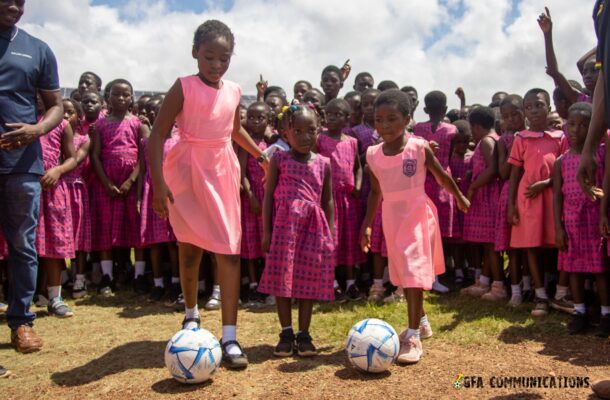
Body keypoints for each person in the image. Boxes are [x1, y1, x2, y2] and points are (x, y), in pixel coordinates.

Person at [149, 20, 268, 369]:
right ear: (195, 54)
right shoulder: (183, 87)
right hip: (186, 172)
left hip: (221, 171)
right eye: (209, 57)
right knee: (189, 251)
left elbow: (234, 130)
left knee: (230, 251)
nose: (216, 65)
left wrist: (260, 156)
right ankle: (191, 315)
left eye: (224, 59)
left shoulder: (233, 91)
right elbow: (156, 136)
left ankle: (229, 336)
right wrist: (158, 184)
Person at [360, 89, 469, 364]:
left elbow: (442, 176)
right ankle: (421, 321)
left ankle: (412, 336)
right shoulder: (372, 154)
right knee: (402, 273)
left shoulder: (418, 147)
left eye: (392, 119)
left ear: (408, 118)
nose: (384, 126)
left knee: (412, 271)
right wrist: (367, 226)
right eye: (379, 119)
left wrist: (459, 196)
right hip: (391, 217)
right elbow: (375, 192)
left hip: (417, 215)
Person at [0, 0, 64, 353]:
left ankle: (22, 322)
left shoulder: (37, 49)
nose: (14, 6)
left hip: (22, 166)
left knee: (23, 246)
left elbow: (55, 104)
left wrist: (35, 130)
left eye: (21, 1)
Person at [259, 104, 334, 357]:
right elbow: (268, 196)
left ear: (318, 131)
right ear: (285, 132)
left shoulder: (324, 163)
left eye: (310, 130)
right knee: (282, 281)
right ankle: (286, 332)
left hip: (313, 229)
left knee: (307, 281)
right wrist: (266, 231)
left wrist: (330, 233)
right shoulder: (279, 159)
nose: (305, 137)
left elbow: (328, 201)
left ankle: (304, 334)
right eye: (298, 131)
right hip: (283, 228)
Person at [507, 88, 565, 317]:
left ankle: (560, 293)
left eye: (539, 105)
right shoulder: (520, 138)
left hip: (554, 196)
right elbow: (514, 173)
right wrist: (511, 204)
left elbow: (565, 168)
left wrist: (547, 182)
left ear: (549, 108)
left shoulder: (560, 138)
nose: (534, 110)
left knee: (556, 245)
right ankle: (540, 295)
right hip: (528, 197)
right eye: (528, 107)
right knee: (531, 245)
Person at [90, 79, 150, 296]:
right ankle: (107, 276)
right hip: (106, 183)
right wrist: (106, 182)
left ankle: (140, 275)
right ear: (108, 97)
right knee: (106, 228)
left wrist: (130, 181)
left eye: (126, 95)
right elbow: (95, 156)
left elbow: (144, 157)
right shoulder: (100, 125)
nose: (122, 98)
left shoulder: (137, 124)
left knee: (135, 228)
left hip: (131, 184)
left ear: (132, 97)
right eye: (117, 94)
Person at [556, 102, 608, 336]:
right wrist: (558, 228)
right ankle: (579, 312)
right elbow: (557, 196)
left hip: (595, 219)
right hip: (571, 223)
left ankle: (606, 314)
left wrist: (603, 213)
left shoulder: (601, 153)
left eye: (584, 125)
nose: (576, 130)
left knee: (600, 271)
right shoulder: (561, 162)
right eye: (572, 124)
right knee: (573, 269)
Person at [316, 99, 364, 301]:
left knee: (349, 239)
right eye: (329, 114)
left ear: (347, 118)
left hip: (348, 199)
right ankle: (332, 282)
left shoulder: (351, 142)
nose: (332, 117)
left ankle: (351, 283)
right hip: (328, 198)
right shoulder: (319, 139)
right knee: (331, 241)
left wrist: (358, 186)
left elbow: (358, 167)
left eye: (337, 114)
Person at [460, 107, 503, 301]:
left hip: (488, 197)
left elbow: (492, 169)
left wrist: (472, 187)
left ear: (477, 126)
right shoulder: (491, 139)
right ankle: (485, 282)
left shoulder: (487, 141)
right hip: (485, 196)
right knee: (487, 244)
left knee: (491, 244)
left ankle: (499, 286)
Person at [139, 99, 179, 302]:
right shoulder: (146, 142)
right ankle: (157, 283)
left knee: (174, 242)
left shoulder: (180, 141)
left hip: (174, 195)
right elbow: (142, 171)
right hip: (152, 192)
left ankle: (175, 281)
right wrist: (139, 198)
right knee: (156, 243)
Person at [496, 95, 530, 306]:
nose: (511, 119)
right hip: (510, 193)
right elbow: (503, 172)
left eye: (515, 114)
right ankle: (516, 290)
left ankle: (530, 286)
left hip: (529, 192)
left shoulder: (532, 136)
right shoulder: (503, 141)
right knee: (513, 247)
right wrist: (512, 151)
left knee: (529, 244)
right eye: (506, 116)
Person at [238, 102, 270, 304]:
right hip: (252, 199)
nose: (256, 121)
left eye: (260, 118)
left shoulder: (272, 142)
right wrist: (251, 196)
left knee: (267, 243)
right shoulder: (245, 143)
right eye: (251, 117)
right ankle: (252, 284)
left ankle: (267, 284)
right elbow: (242, 173)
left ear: (268, 120)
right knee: (250, 244)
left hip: (269, 198)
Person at [62, 98, 92, 299]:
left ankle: (79, 278)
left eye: (70, 112)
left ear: (78, 116)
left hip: (75, 190)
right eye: (62, 111)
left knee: (79, 236)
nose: (65, 116)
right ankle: (63, 277)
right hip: (55, 189)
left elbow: (74, 160)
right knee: (58, 235)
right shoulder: (51, 137)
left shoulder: (85, 139)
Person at [448, 120, 473, 285]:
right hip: (454, 203)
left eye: (466, 141)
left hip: (470, 203)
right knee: (457, 241)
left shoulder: (471, 156)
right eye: (458, 142)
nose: (462, 145)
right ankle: (458, 271)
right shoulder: (450, 158)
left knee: (470, 240)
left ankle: (470, 268)